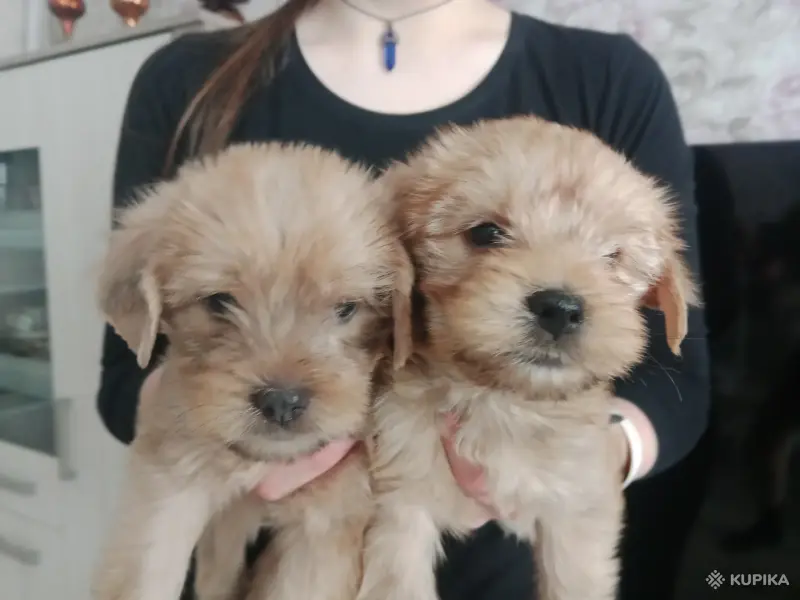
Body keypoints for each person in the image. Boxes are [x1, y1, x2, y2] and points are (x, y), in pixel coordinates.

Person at [97, 1, 711, 598]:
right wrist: (215, 444)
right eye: (487, 235)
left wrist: (586, 465)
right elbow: (128, 368)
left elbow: (677, 378)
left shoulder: (609, 75)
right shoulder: (187, 76)